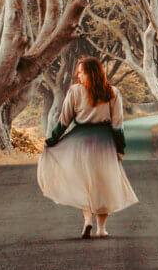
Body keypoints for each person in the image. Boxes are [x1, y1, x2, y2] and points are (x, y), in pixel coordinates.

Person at [37, 56, 138, 238]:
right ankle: (101, 229)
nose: (78, 75)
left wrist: (52, 140)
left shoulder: (74, 91)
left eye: (81, 72)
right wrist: (120, 148)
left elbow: (64, 120)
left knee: (84, 183)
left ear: (92, 73)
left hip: (80, 142)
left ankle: (88, 220)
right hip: (104, 143)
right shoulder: (113, 92)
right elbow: (117, 124)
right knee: (104, 184)